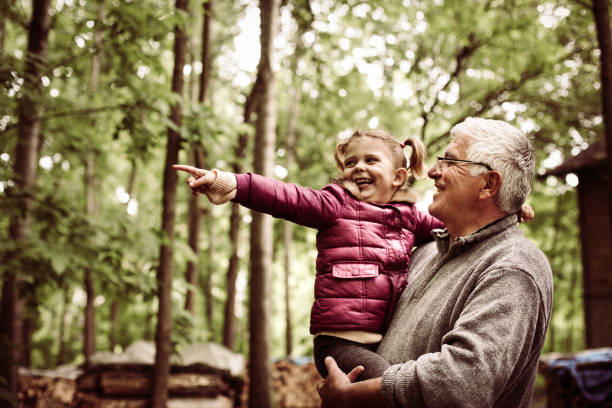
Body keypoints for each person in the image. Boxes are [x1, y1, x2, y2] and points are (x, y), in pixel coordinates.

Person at [316, 117, 553, 408]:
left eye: (450, 161)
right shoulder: (425, 251)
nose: (431, 171)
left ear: (488, 184)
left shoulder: (512, 268)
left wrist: (353, 396)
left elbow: (462, 384)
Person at [174, 129, 446, 380]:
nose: (359, 167)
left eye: (371, 160)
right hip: (339, 343)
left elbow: (449, 225)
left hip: (385, 339)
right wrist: (229, 183)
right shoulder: (336, 204)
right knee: (391, 384)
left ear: (398, 176)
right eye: (351, 163)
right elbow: (287, 197)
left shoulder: (409, 218)